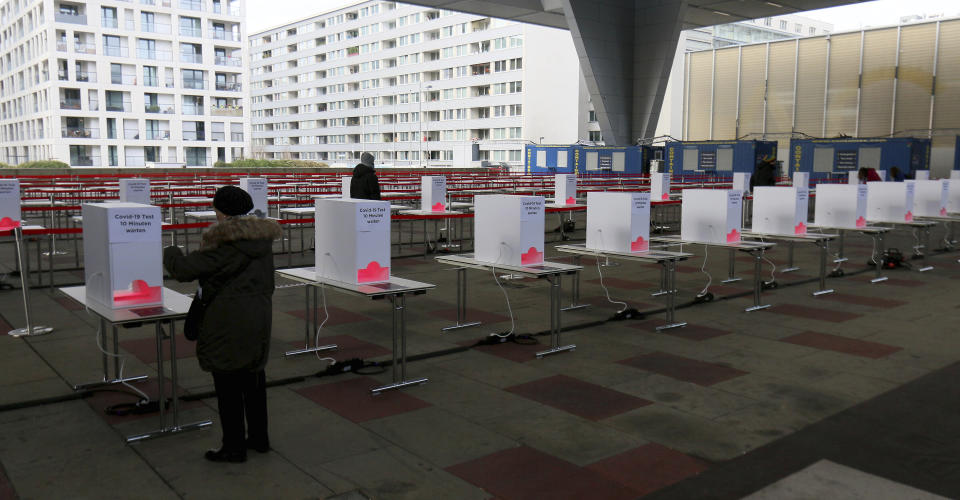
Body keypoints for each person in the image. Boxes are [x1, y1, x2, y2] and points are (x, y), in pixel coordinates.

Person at [163, 186, 282, 463]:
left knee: (228, 384)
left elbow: (183, 270)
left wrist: (171, 250)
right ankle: (259, 439)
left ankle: (233, 447)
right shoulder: (262, 240)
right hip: (258, 318)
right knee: (253, 380)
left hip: (227, 321)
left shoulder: (226, 243)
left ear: (222, 211)